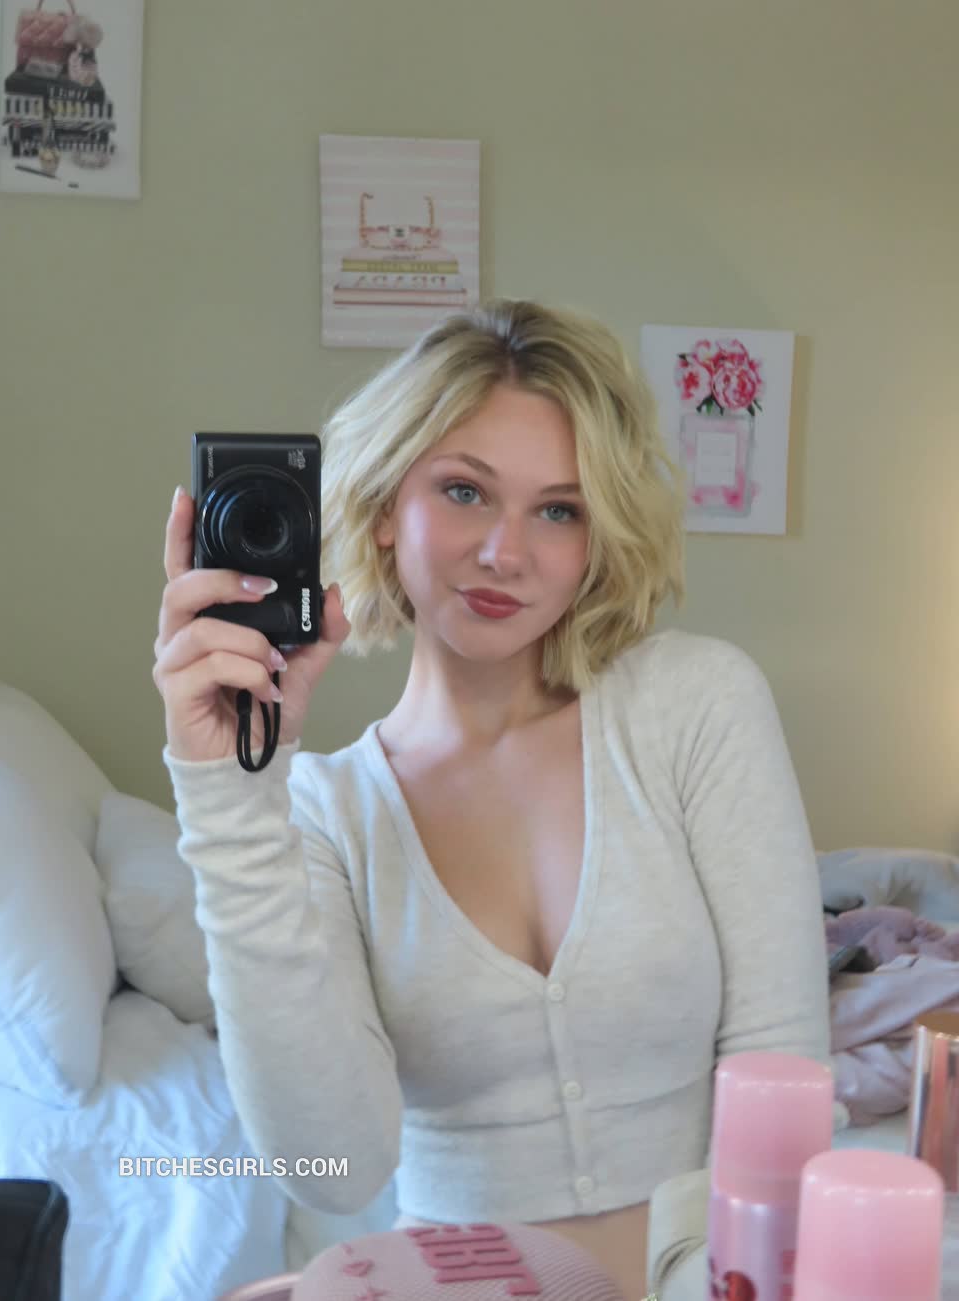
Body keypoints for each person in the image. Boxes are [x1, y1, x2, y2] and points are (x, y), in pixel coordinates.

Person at [152, 299, 832, 1300]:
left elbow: (785, 1075)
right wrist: (229, 799)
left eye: (558, 509)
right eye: (465, 491)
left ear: (597, 536)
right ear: (386, 506)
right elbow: (331, 1168)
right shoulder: (326, 810)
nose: (505, 552)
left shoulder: (694, 705)